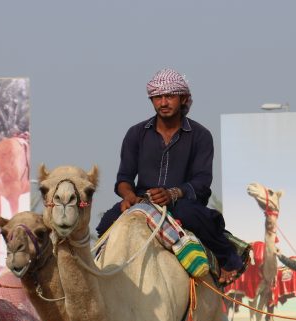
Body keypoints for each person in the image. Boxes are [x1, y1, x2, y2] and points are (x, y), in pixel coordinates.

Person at [95, 68, 241, 282]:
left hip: (183, 202)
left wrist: (173, 194)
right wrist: (128, 196)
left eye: (169, 96)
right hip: (142, 203)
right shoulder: (136, 134)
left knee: (194, 216)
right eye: (157, 97)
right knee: (106, 223)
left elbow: (202, 181)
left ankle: (228, 261)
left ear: (182, 98)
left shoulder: (201, 136)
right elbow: (124, 178)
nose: (163, 103)